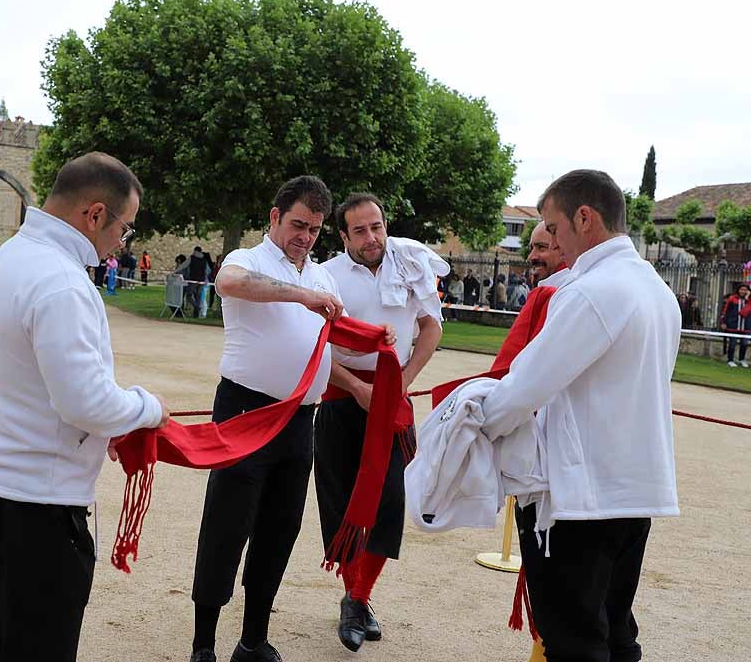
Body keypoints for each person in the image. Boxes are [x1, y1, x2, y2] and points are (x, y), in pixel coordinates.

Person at [0, 152, 170, 662]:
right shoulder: (63, 281)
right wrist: (147, 408)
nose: (122, 243)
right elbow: (84, 401)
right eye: (125, 229)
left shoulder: (9, 258)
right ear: (94, 215)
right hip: (36, 511)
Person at [481, 169, 681, 662]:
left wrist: (475, 422)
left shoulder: (590, 290)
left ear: (585, 218)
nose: (550, 239)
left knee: (573, 640)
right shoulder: (656, 289)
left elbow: (525, 386)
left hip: (581, 501)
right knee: (615, 633)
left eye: (553, 226)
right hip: (634, 493)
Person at [190, 175, 346, 662]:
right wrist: (299, 295)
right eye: (298, 224)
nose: (305, 236)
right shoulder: (248, 260)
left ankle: (252, 640)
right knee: (227, 525)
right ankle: (203, 645)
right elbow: (229, 283)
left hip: (301, 420)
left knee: (280, 530)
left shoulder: (322, 275)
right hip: (246, 410)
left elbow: (324, 346)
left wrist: (362, 380)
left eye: (316, 229)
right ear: (275, 216)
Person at [317, 193, 444, 652]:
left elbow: (431, 328)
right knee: (340, 500)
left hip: (393, 397)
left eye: (377, 227)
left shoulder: (412, 264)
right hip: (340, 395)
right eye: (360, 231)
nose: (372, 238)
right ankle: (357, 599)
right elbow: (310, 347)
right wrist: (357, 388)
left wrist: (403, 381)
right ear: (343, 235)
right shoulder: (324, 276)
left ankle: (357, 597)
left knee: (389, 501)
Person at [719, 283, 751, 367]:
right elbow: (725, 311)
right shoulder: (732, 299)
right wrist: (723, 322)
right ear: (738, 290)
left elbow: (745, 312)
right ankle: (730, 360)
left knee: (744, 344)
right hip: (733, 326)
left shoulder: (749, 301)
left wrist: (747, 299)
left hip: (746, 327)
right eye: (742, 289)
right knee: (732, 344)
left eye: (745, 290)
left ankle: (742, 359)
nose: (743, 291)